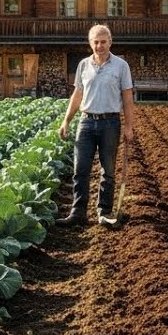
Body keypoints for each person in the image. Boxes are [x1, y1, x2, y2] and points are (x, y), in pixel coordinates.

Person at [57, 23, 136, 226]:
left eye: (103, 41)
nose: (100, 45)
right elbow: (77, 94)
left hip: (110, 122)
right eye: (96, 42)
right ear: (90, 43)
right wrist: (66, 120)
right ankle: (78, 213)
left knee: (107, 170)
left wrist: (128, 127)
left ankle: (104, 212)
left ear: (110, 42)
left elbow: (127, 98)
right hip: (86, 122)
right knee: (80, 169)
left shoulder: (121, 66)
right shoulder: (84, 65)